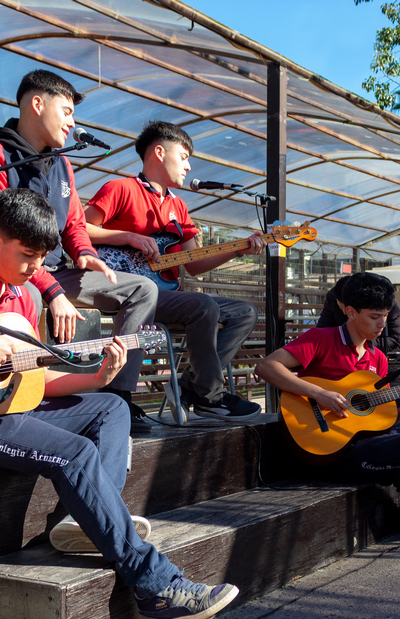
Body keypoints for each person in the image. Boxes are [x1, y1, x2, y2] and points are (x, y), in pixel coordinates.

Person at [0, 187, 238, 619]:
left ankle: (86, 521)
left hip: (1, 411)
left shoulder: (23, 297)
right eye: (28, 256)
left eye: (42, 258)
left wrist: (97, 377)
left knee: (111, 407)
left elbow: (34, 380)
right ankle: (157, 587)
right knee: (76, 453)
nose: (36, 268)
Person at [0, 70, 160, 433]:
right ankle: (28, 403)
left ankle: (118, 392)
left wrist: (85, 252)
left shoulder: (63, 163)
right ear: (38, 104)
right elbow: (9, 250)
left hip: (54, 273)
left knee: (143, 289)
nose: (72, 123)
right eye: (67, 111)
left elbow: (73, 224)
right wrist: (52, 292)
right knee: (27, 299)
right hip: (9, 274)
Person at [82, 121, 265, 421]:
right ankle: (210, 396)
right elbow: (79, 229)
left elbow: (192, 264)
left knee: (244, 313)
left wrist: (238, 249)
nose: (189, 167)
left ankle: (191, 386)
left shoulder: (179, 206)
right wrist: (128, 237)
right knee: (203, 305)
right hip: (126, 290)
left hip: (167, 296)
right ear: (159, 152)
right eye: (184, 157)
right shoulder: (120, 188)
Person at [254, 272, 400, 543]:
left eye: (386, 315)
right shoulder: (321, 339)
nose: (382, 323)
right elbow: (266, 366)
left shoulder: (378, 358)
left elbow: (378, 423)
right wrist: (319, 394)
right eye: (374, 316)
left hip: (362, 441)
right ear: (350, 312)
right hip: (329, 451)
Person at [317, 273, 400, 358]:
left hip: (390, 353)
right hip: (344, 353)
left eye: (375, 317)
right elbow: (323, 330)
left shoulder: (385, 299)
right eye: (341, 308)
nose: (345, 313)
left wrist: (360, 343)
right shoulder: (333, 298)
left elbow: (396, 337)